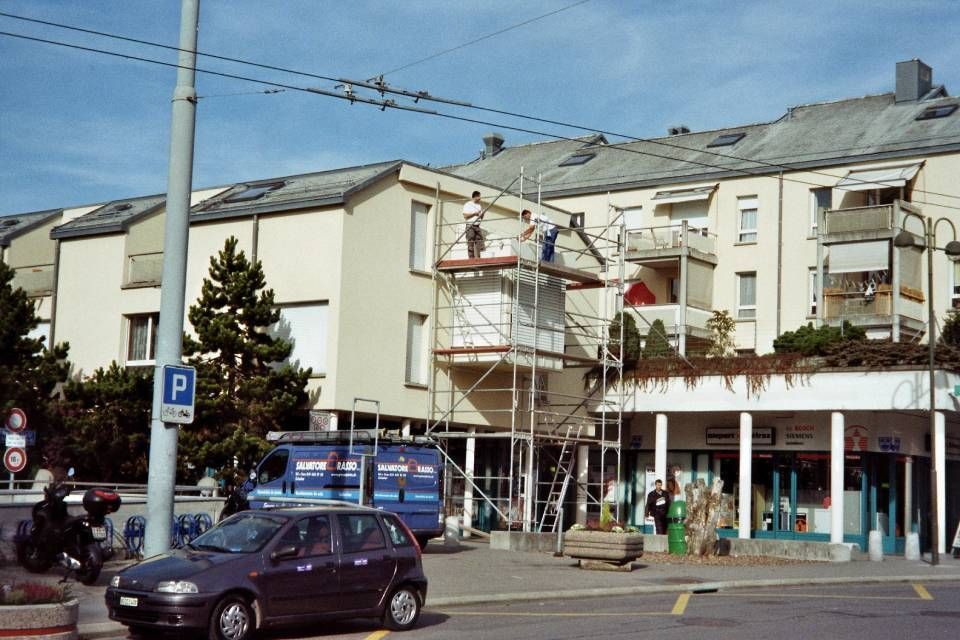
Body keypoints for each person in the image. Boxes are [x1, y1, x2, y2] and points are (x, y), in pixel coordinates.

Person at [462, 190, 485, 258]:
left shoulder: (479, 205)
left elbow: (481, 217)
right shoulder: (468, 204)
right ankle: (471, 259)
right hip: (470, 226)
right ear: (475, 196)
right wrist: (474, 214)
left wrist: (482, 214)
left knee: (479, 243)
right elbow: (465, 216)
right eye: (479, 196)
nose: (480, 198)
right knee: (470, 243)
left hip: (477, 226)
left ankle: (478, 259)